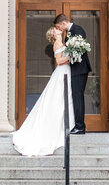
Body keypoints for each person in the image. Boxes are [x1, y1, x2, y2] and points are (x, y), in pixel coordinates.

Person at [12, 27, 75, 156]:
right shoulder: (57, 44)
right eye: (56, 30)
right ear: (53, 34)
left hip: (66, 71)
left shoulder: (62, 43)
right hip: (62, 71)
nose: (59, 30)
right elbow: (58, 61)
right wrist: (70, 56)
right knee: (58, 98)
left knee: (65, 98)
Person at [54, 13, 91, 134]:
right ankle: (77, 124)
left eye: (59, 27)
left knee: (78, 97)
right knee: (75, 97)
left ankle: (80, 126)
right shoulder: (68, 35)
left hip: (80, 69)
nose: (59, 29)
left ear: (63, 23)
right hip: (73, 70)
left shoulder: (77, 30)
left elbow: (80, 49)